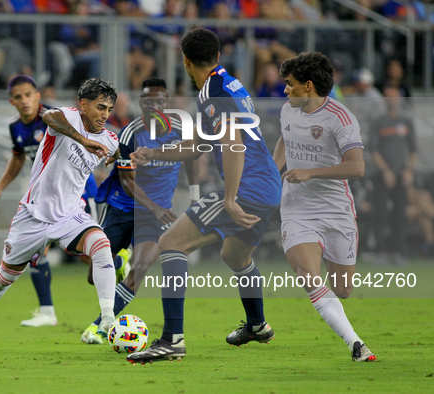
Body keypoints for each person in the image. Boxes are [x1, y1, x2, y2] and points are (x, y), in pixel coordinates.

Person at [127, 28, 282, 364]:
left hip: (247, 188)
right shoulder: (228, 83)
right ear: (217, 55)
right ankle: (257, 325)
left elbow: (233, 141)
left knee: (171, 243)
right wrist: (154, 154)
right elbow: (199, 143)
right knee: (235, 257)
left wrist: (229, 198)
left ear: (185, 61)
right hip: (267, 187)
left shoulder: (214, 92)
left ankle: (172, 340)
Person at [0, 77, 120, 351]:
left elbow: (121, 154)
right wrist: (82, 140)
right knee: (4, 277)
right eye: (100, 107)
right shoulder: (65, 117)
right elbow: (49, 117)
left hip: (69, 214)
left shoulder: (109, 139)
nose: (104, 115)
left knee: (101, 244)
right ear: (83, 104)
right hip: (33, 214)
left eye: (109, 110)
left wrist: (129, 158)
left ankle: (107, 319)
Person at [273, 51, 376, 362]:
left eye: (289, 84)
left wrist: (310, 172)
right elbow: (284, 141)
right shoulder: (287, 110)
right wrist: (270, 173)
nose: (285, 90)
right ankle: (356, 343)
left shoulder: (341, 118)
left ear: (308, 85)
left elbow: (356, 167)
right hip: (296, 209)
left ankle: (341, 317)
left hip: (336, 210)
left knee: (343, 289)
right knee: (307, 274)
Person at [80, 77, 199, 344]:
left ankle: (99, 327)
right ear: (141, 103)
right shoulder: (130, 134)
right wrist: (156, 208)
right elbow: (127, 180)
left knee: (142, 267)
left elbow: (191, 156)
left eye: (160, 100)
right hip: (122, 206)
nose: (155, 105)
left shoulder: (182, 129)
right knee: (92, 277)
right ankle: (119, 260)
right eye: (149, 101)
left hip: (154, 215)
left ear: (167, 103)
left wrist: (194, 194)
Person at [0, 75, 58, 327]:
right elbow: (18, 159)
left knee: (87, 253)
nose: (24, 100)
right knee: (37, 249)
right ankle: (47, 311)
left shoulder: (54, 119)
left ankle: (120, 263)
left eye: (28, 94)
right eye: (19, 97)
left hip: (72, 193)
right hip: (45, 197)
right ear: (12, 102)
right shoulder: (15, 127)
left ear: (37, 95)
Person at [370, 86, 417, 266]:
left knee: (399, 213)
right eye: (388, 97)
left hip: (401, 173)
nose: (391, 100)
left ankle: (399, 251)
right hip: (381, 174)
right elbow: (373, 149)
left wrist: (409, 170)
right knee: (379, 213)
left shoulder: (406, 121)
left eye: (394, 96)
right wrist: (385, 170)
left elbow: (413, 149)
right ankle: (380, 251)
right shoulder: (379, 122)